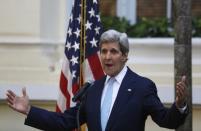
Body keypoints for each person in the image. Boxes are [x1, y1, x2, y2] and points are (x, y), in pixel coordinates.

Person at [6, 29, 188, 131]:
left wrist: (179, 105)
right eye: (104, 51)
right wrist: (29, 110)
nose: (107, 57)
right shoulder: (93, 89)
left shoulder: (142, 86)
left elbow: (167, 120)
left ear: (125, 56)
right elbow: (65, 121)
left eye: (114, 52)